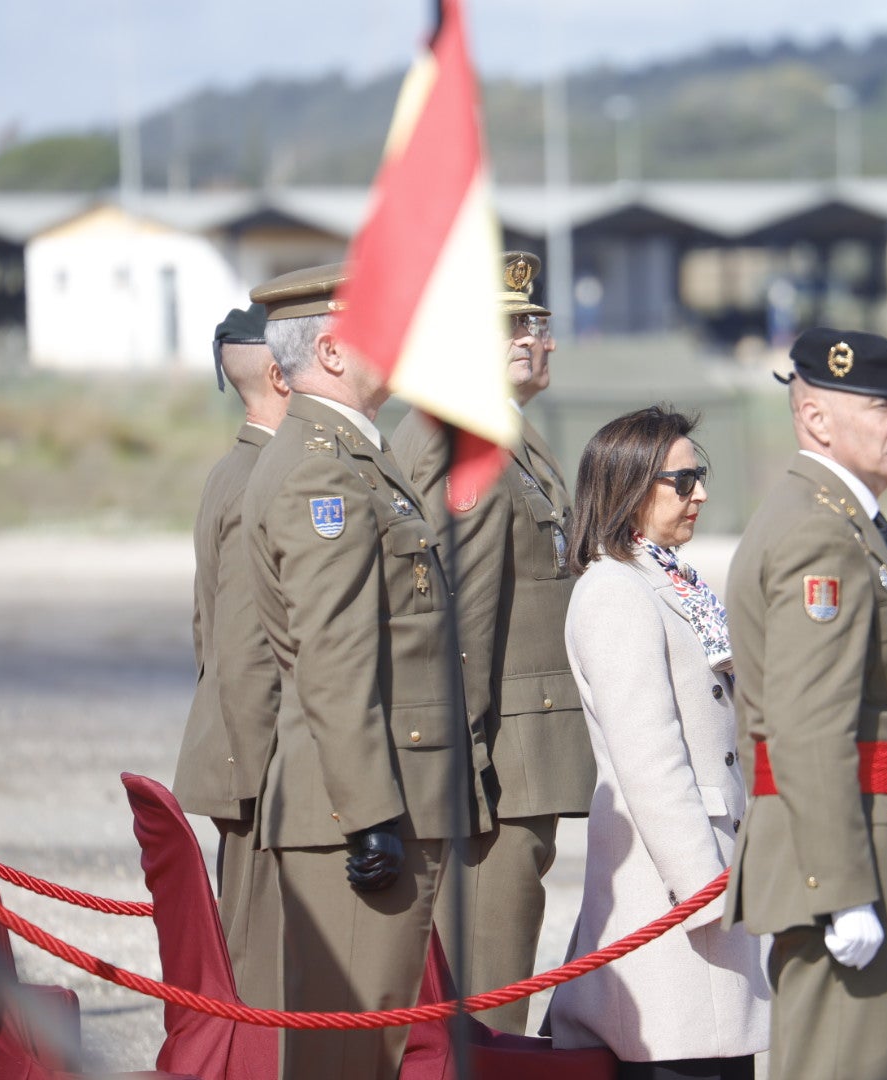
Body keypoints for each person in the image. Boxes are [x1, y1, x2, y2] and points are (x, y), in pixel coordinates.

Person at [241, 263, 467, 1080]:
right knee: (351, 1057)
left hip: (383, 795)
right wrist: (371, 814)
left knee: (364, 1050)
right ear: (334, 349)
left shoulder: (352, 455)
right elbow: (333, 658)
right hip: (361, 811)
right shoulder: (320, 470)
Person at [723, 328, 887, 1080]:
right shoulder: (821, 531)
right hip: (842, 857)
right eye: (884, 405)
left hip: (850, 845)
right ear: (817, 419)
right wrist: (844, 889)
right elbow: (807, 726)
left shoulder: (837, 520)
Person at [390, 251, 595, 1033]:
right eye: (504, 325)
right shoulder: (461, 439)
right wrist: (460, 767)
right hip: (492, 764)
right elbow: (460, 621)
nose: (527, 340)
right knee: (480, 1007)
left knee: (491, 987)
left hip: (515, 754)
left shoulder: (502, 433)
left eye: (533, 321)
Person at [548, 406, 769, 1080]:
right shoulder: (616, 592)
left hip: (709, 868)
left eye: (699, 476)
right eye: (683, 480)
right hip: (672, 883)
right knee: (680, 1055)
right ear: (631, 489)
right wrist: (702, 887)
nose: (699, 492)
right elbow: (649, 757)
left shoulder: (672, 580)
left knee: (718, 1051)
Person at [170, 303, 287, 1006]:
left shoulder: (236, 468)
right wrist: (265, 779)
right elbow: (245, 651)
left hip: (245, 754)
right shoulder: (262, 481)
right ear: (280, 372)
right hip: (263, 768)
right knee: (260, 968)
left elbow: (201, 626)